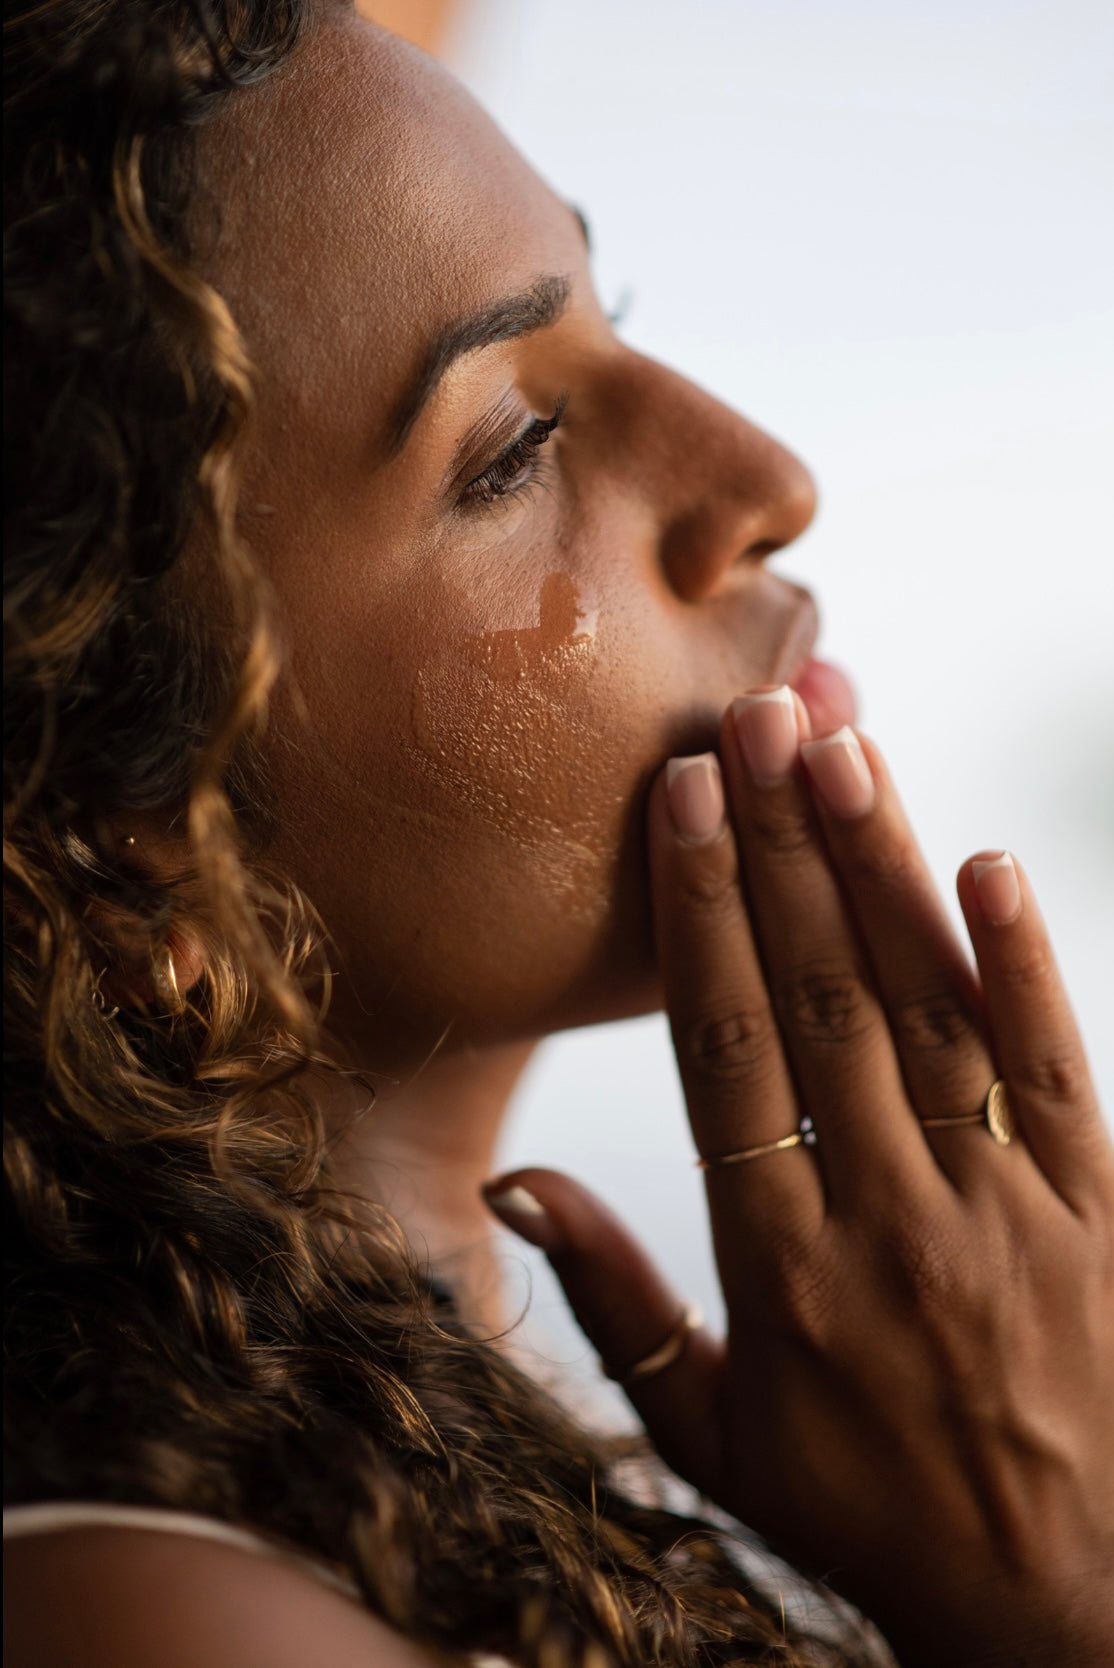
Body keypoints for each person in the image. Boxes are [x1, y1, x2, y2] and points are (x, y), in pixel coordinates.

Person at [5, 4, 1112, 1665]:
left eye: (619, 318)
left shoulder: (390, 1465)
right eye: (514, 450)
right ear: (124, 828)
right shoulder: (159, 1617)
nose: (765, 474)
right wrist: (1064, 1595)